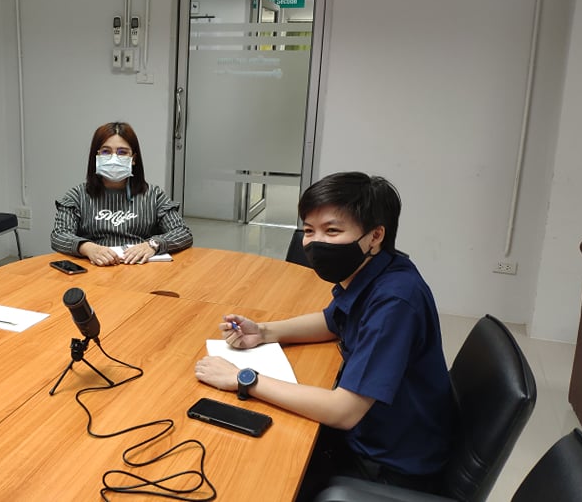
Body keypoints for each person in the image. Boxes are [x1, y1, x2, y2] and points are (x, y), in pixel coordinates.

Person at [194, 172, 455, 499]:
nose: (315, 242)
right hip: (372, 435)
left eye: (332, 231)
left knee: (248, 471)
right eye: (308, 230)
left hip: (388, 465)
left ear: (375, 236)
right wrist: (263, 332)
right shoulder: (378, 269)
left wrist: (243, 378)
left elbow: (343, 411)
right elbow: (333, 320)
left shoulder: (395, 301)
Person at [51, 121, 193, 266]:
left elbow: (182, 232)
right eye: (106, 152)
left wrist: (153, 244)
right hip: (96, 269)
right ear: (96, 156)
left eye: (122, 152)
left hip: (141, 268)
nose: (114, 158)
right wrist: (87, 248)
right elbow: (59, 235)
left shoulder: (153, 195)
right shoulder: (78, 196)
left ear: (133, 159)